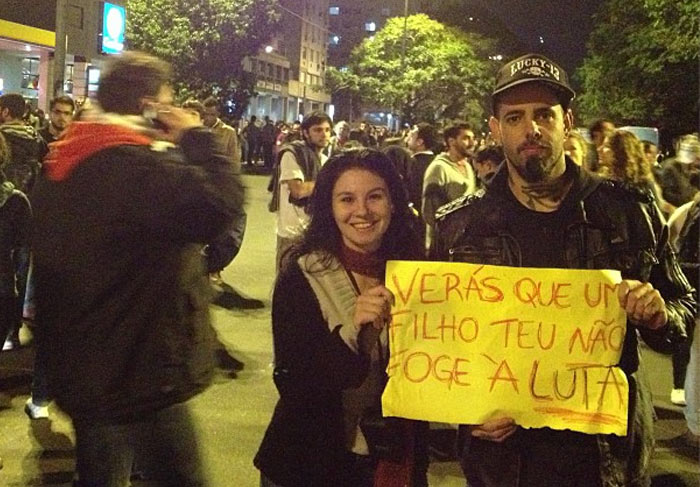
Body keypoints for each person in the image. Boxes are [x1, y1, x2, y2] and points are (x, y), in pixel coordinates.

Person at [433, 53, 695, 487]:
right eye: (514, 117)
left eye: (544, 115)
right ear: (496, 130)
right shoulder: (459, 225)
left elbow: (682, 303)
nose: (531, 129)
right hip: (501, 463)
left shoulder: (629, 211)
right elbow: (440, 341)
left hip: (605, 457)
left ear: (566, 121)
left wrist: (659, 313)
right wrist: (465, 412)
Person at [31, 51, 243, 487]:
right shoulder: (137, 167)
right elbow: (221, 206)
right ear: (149, 104)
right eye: (168, 99)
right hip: (141, 371)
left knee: (102, 474)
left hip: (88, 366)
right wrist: (197, 136)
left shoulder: (68, 157)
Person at [255, 148, 426, 487]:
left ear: (393, 202)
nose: (362, 211)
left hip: (394, 459)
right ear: (330, 209)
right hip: (313, 465)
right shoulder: (303, 275)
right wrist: (352, 334)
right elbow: (294, 383)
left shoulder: (417, 274)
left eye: (374, 197)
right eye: (346, 199)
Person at [269, 111, 332, 271]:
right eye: (317, 130)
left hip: (315, 232)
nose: (324, 135)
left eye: (327, 130)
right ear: (305, 133)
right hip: (292, 234)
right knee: (286, 286)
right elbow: (298, 190)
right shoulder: (292, 154)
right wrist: (331, 182)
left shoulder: (324, 160)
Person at [422, 121, 477, 252]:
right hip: (443, 248)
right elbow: (429, 212)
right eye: (466, 138)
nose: (472, 143)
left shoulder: (467, 166)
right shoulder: (438, 168)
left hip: (464, 246)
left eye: (472, 138)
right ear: (451, 142)